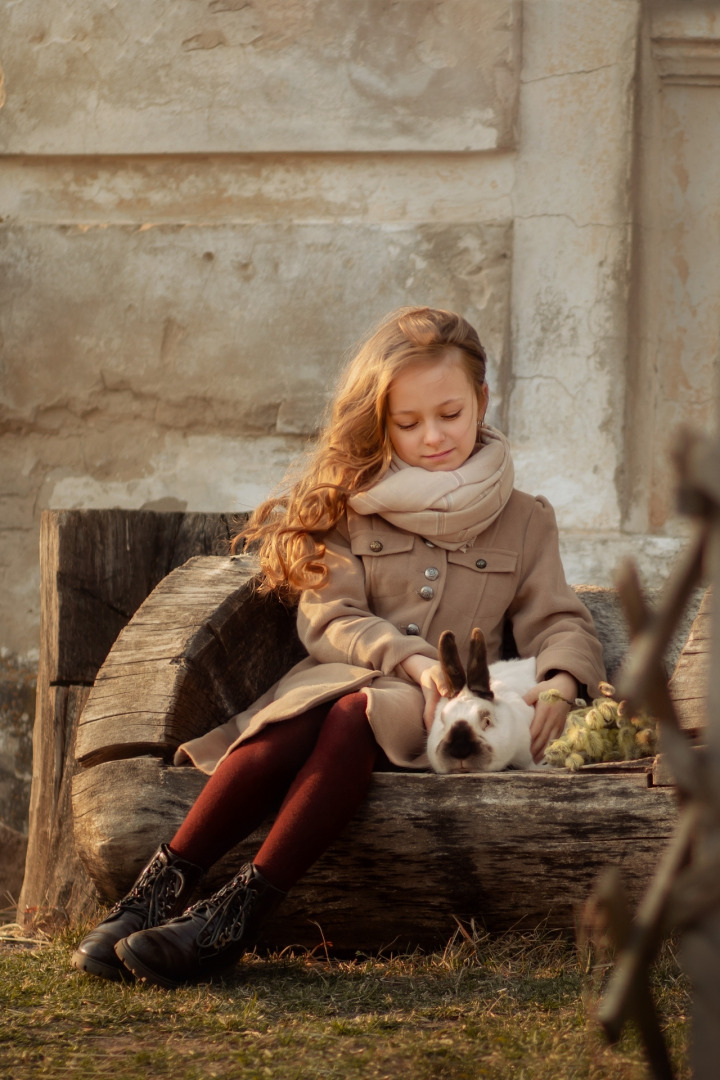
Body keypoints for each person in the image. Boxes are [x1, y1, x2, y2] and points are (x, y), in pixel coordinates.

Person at [72, 306, 606, 989]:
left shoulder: (526, 519)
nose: (433, 437)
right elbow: (332, 619)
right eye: (407, 424)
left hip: (437, 714)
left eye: (449, 413)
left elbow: (557, 620)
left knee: (355, 714)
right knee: (317, 709)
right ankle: (155, 891)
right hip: (338, 681)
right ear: (379, 422)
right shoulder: (351, 505)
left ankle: (232, 917)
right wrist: (405, 659)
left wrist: (560, 681)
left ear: (481, 400)